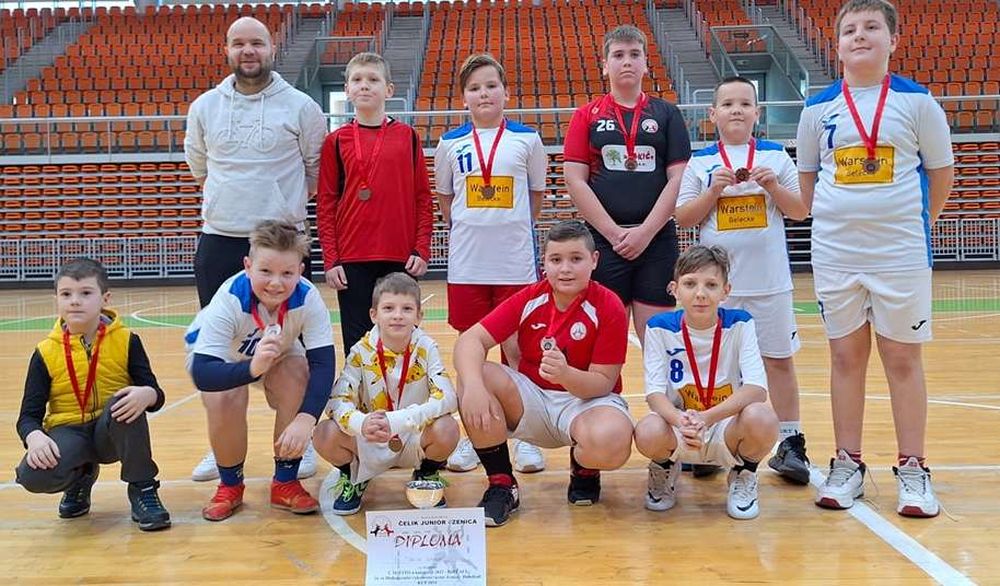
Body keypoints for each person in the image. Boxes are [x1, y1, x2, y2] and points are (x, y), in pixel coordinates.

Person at [796, 0, 954, 518]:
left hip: (899, 252)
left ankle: (913, 467)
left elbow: (941, 174)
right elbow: (809, 182)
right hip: (836, 252)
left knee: (902, 359)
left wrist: (914, 225)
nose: (859, 36)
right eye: (849, 30)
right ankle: (847, 463)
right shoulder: (816, 109)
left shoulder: (918, 102)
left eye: (871, 28)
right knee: (845, 358)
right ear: (837, 45)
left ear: (893, 41)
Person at [184, 15, 326, 482]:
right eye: (239, 43)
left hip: (282, 244)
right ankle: (221, 445)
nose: (249, 51)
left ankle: (299, 443)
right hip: (221, 240)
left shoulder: (301, 106)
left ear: (272, 48)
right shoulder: (205, 106)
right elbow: (199, 167)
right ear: (227, 50)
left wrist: (277, 210)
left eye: (257, 43)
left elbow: (314, 169)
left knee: (293, 350)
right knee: (221, 347)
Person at [675, 76, 811, 484]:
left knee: (779, 362)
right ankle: (711, 441)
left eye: (745, 104)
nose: (736, 110)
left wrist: (772, 186)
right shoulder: (701, 162)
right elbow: (684, 218)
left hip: (770, 283)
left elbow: (800, 210)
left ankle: (791, 442)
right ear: (712, 114)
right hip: (716, 291)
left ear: (757, 112)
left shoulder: (777, 156)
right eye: (728, 104)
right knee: (716, 367)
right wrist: (712, 193)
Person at [453, 220, 633, 527]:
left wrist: (566, 375)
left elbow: (603, 382)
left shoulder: (609, 306)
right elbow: (470, 340)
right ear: (544, 263)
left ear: (594, 261)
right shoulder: (530, 298)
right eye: (556, 259)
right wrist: (472, 387)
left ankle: (585, 468)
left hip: (586, 401)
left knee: (613, 440)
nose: (565, 269)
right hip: (532, 399)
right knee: (476, 375)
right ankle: (501, 484)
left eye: (576, 259)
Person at [434, 53, 548, 475]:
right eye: (474, 88)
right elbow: (446, 199)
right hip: (467, 265)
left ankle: (526, 437)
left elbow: (535, 196)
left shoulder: (528, 140)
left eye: (491, 85)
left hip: (515, 264)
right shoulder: (449, 144)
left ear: (506, 92)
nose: (483, 94)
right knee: (471, 354)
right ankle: (474, 433)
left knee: (517, 352)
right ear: (464, 97)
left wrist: (508, 226)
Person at [186, 221, 336, 522]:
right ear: (248, 266)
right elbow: (203, 373)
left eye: (287, 273)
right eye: (265, 271)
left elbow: (324, 364)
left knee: (299, 375)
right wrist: (252, 369)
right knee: (223, 396)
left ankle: (285, 481)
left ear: (300, 271)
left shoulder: (307, 297)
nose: (276, 283)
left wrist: (307, 418)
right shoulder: (230, 298)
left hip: (278, 356)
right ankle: (230, 486)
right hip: (224, 360)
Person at [14, 258, 171, 531]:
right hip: (68, 433)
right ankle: (80, 476)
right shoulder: (44, 352)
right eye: (66, 294)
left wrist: (147, 394)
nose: (75, 301)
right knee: (31, 475)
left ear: (105, 299)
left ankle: (143, 488)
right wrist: (35, 437)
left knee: (126, 400)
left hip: (110, 432)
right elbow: (27, 416)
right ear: (56, 300)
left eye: (86, 293)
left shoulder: (127, 340)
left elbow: (155, 393)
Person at [564, 24, 691, 344]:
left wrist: (645, 232)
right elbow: (575, 181)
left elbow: (679, 177)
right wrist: (613, 234)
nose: (627, 62)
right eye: (618, 55)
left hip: (657, 240)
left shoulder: (667, 114)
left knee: (660, 340)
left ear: (646, 64)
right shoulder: (586, 116)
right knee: (604, 342)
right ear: (605, 65)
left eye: (635, 54)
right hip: (604, 243)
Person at [635, 245, 778, 520]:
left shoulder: (741, 324)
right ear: (675, 289)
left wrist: (707, 418)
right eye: (690, 284)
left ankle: (744, 471)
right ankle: (665, 465)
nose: (700, 293)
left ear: (726, 291)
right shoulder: (659, 327)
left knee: (762, 417)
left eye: (711, 285)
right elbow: (654, 394)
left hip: (724, 425)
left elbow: (757, 389)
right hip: (680, 425)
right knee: (647, 430)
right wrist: (681, 421)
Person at [316, 51, 434, 356]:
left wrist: (421, 248)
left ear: (389, 89)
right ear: (347, 89)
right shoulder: (335, 142)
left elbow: (423, 198)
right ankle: (359, 391)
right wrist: (331, 259)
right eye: (357, 79)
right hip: (352, 257)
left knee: (401, 337)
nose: (364, 85)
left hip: (400, 255)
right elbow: (326, 204)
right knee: (357, 344)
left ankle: (402, 389)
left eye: (373, 79)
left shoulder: (408, 137)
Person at [315, 273, 459, 514]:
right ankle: (353, 476)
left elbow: (448, 397)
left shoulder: (426, 347)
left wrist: (399, 420)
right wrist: (361, 423)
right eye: (389, 308)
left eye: (407, 309)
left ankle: (426, 472)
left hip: (413, 435)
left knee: (448, 428)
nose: (398, 315)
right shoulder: (360, 351)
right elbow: (337, 400)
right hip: (371, 435)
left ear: (419, 316)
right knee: (323, 433)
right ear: (374, 315)